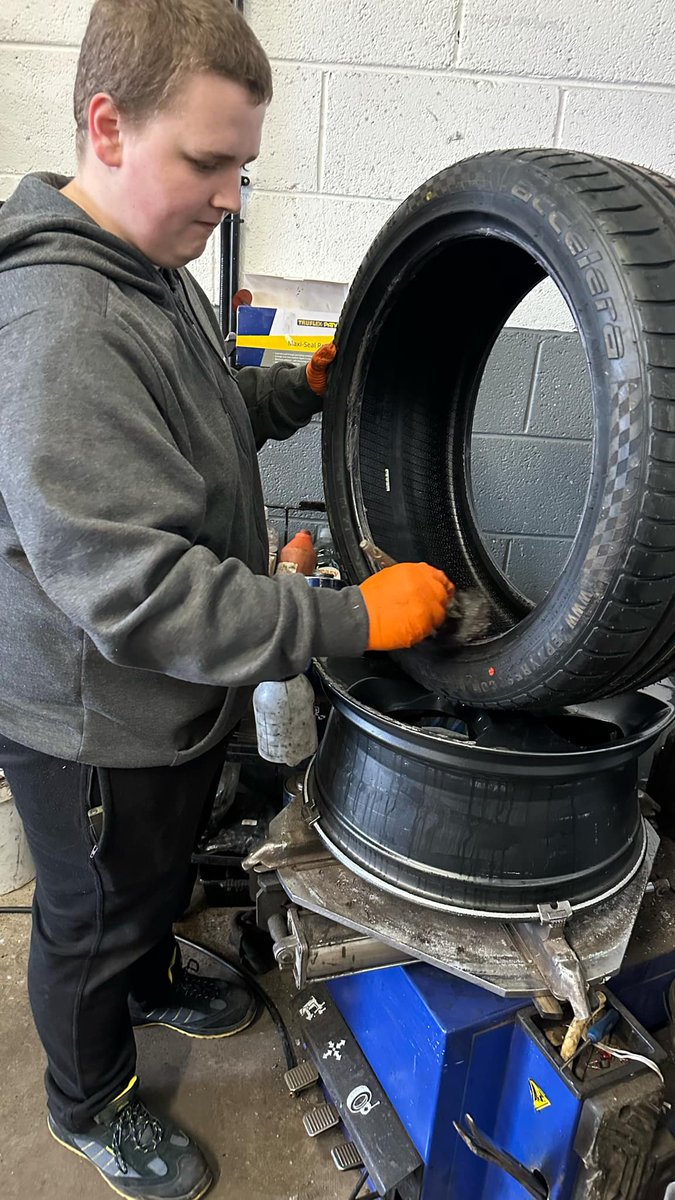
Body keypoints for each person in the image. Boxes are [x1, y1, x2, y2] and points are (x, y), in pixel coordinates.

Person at [0, 3, 453, 1198]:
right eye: (209, 162)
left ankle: (149, 971)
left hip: (165, 709)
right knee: (92, 915)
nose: (231, 196)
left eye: (242, 166)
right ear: (106, 125)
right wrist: (355, 620)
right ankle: (88, 1096)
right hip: (97, 723)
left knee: (147, 883)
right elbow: (143, 597)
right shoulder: (62, 325)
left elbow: (192, 433)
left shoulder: (150, 271)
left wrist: (290, 388)